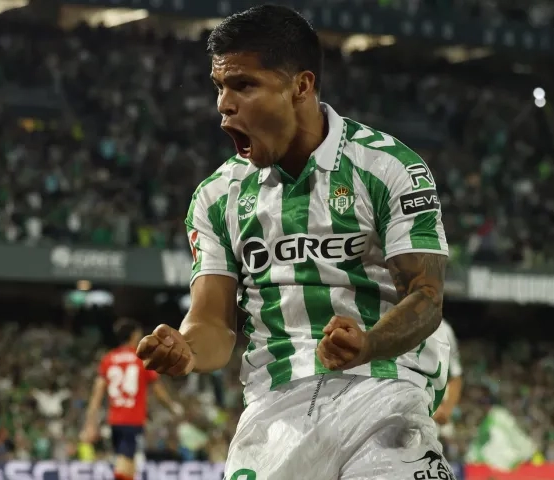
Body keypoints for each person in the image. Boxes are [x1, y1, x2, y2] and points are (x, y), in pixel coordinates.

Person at [136, 5, 452, 479]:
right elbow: (213, 326)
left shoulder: (389, 168)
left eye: (243, 84)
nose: (223, 103)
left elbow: (426, 297)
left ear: (300, 86)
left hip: (382, 394)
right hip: (273, 411)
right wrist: (186, 349)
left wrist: (367, 344)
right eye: (219, 86)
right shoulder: (216, 197)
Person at [81, 318, 182, 480]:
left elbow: (97, 394)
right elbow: (158, 390)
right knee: (125, 462)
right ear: (134, 336)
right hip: (132, 419)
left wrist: (90, 421)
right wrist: (172, 407)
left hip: (114, 420)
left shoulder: (108, 359)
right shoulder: (141, 359)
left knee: (129, 463)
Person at [433, 319, 462, 453]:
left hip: (436, 410)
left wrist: (446, 411)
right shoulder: (398, 321)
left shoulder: (443, 329)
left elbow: (456, 376)